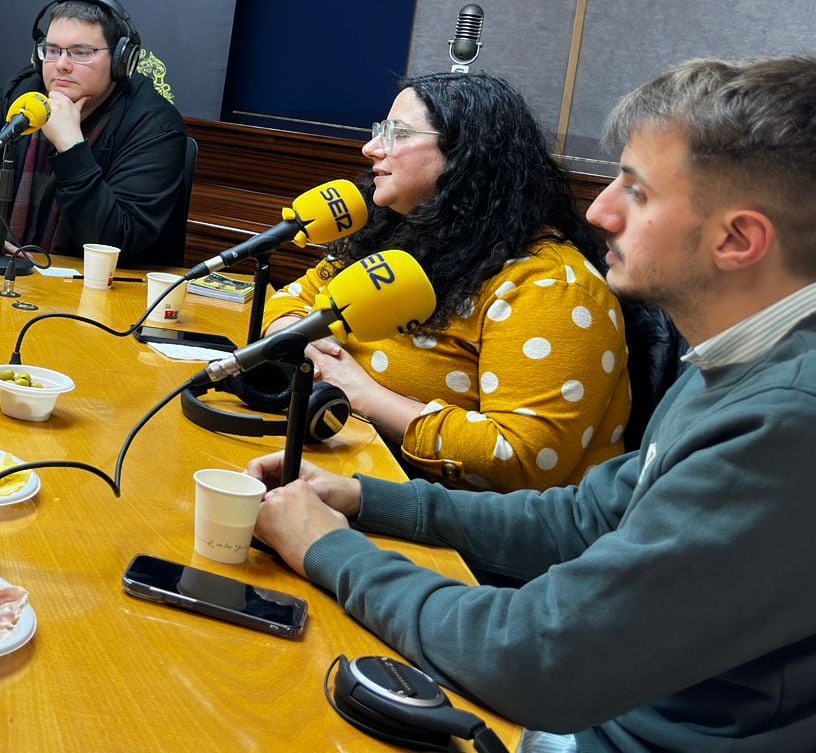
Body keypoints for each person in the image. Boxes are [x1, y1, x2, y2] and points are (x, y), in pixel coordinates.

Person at [253, 57, 816, 752]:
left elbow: (536, 659)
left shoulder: (788, 418)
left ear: (738, 240)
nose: (598, 210)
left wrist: (326, 549)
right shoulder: (736, 361)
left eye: (635, 192)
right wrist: (365, 500)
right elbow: (587, 516)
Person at [263, 72, 629, 491]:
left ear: (467, 155)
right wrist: (304, 343)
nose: (371, 148)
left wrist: (361, 393)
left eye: (396, 133)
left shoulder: (552, 286)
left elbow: (521, 459)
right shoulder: (397, 229)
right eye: (379, 131)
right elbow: (292, 298)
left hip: (463, 531)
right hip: (350, 470)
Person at [0, 0, 186, 265]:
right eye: (52, 51)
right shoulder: (13, 99)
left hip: (96, 288)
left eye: (80, 53)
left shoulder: (155, 126)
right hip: (0, 270)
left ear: (121, 60)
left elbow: (115, 240)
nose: (61, 65)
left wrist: (71, 147)